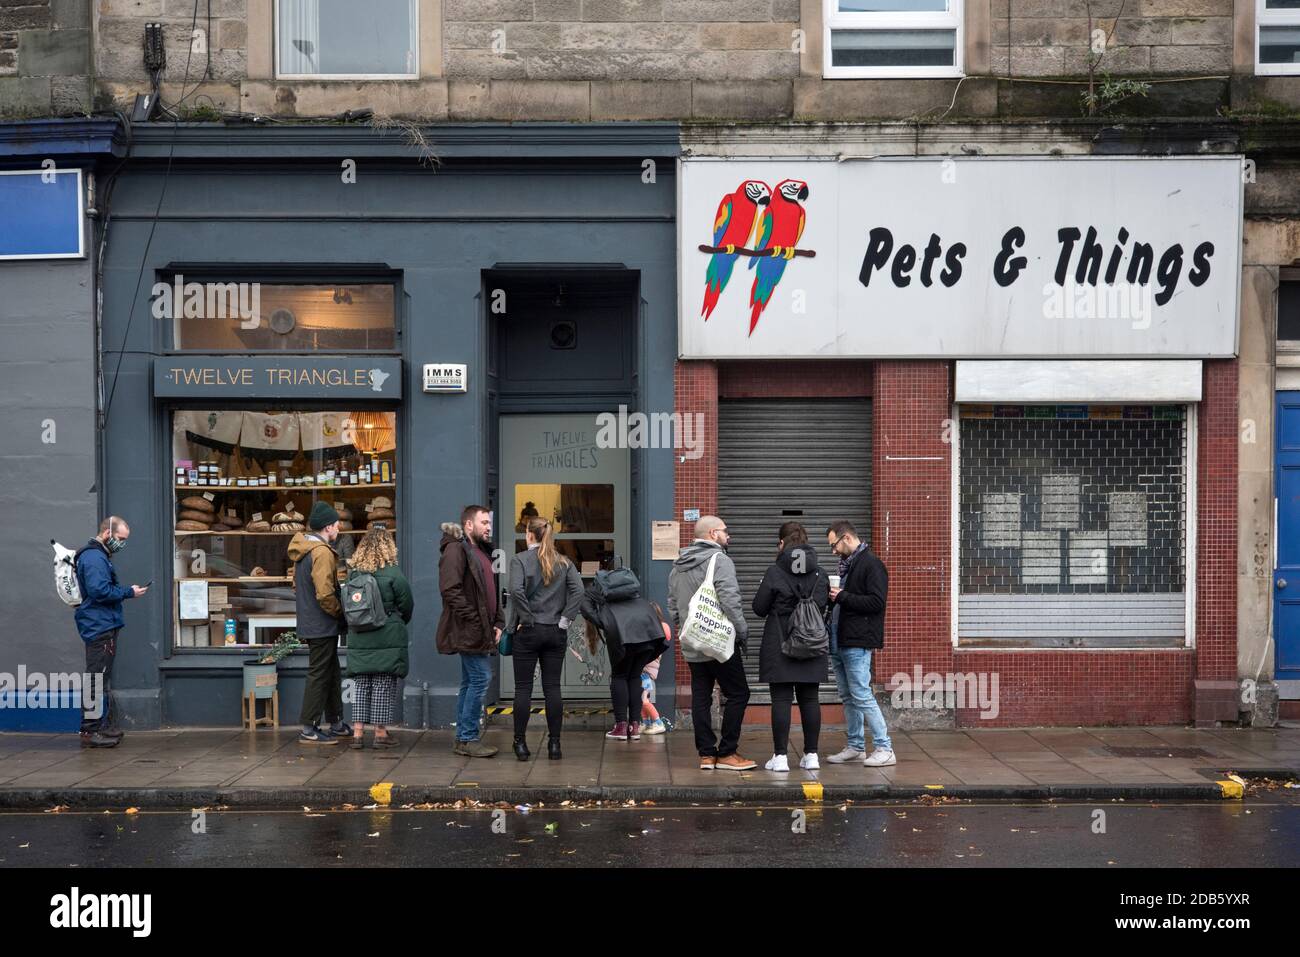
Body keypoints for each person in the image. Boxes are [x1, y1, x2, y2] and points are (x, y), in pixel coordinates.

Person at [667, 515, 755, 772]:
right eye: (726, 532)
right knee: (739, 693)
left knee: (701, 696)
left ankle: (706, 754)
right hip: (720, 642)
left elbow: (673, 603)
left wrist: (685, 628)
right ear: (713, 534)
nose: (729, 536)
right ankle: (727, 753)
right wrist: (742, 630)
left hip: (693, 640)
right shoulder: (720, 560)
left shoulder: (678, 563)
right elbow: (730, 600)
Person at [752, 522, 829, 772]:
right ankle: (812, 755)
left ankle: (781, 757)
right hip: (812, 641)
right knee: (810, 698)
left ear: (782, 544)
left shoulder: (774, 572)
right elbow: (823, 605)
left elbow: (759, 608)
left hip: (781, 642)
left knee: (781, 699)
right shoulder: (820, 574)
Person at [507, 517, 584, 760]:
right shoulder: (564, 562)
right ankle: (554, 745)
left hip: (528, 631)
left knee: (523, 689)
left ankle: (520, 744)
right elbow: (579, 591)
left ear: (529, 534)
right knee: (552, 687)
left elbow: (516, 591)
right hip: (555, 631)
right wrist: (565, 619)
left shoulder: (519, 560)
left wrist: (527, 618)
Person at [73, 517, 148, 748]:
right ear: (107, 533)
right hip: (99, 625)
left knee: (100, 677)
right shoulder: (94, 557)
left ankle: (98, 727)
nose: (122, 544)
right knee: (95, 678)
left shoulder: (99, 555)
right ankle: (89, 731)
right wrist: (129, 592)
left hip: (102, 623)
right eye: (120, 539)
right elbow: (99, 591)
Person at [825, 520, 895, 767]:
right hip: (839, 637)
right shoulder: (847, 565)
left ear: (846, 538)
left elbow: (877, 602)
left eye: (834, 545)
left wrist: (843, 596)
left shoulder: (871, 564)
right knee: (848, 695)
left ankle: (884, 747)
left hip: (857, 639)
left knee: (862, 694)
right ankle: (855, 746)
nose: (833, 551)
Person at [437, 505, 504, 758]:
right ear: (468, 525)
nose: (488, 527)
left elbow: (490, 592)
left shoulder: (482, 551)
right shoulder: (456, 550)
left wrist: (497, 621)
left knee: (470, 681)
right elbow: (450, 589)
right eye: (484, 522)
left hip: (482, 628)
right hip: (469, 629)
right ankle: (467, 737)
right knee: (480, 679)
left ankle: (463, 738)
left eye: (489, 522)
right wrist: (476, 620)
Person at [288, 502, 352, 745]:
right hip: (322, 623)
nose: (338, 528)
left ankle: (336, 722)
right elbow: (325, 594)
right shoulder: (322, 552)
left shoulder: (304, 550)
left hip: (312, 621)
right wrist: (339, 613)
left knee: (331, 672)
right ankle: (308, 726)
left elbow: (297, 585)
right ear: (328, 526)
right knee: (319, 674)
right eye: (337, 524)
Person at [344, 528, 413, 750]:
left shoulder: (354, 574)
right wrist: (397, 620)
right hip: (387, 635)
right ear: (388, 548)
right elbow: (407, 604)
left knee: (361, 684)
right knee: (383, 683)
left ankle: (357, 733)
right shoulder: (393, 573)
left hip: (359, 635)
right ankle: (380, 733)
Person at [580, 570, 669, 742]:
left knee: (619, 677)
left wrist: (603, 622)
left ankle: (621, 726)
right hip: (648, 631)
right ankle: (634, 726)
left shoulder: (599, 593)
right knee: (634, 677)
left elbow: (584, 607)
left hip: (623, 635)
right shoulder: (630, 591)